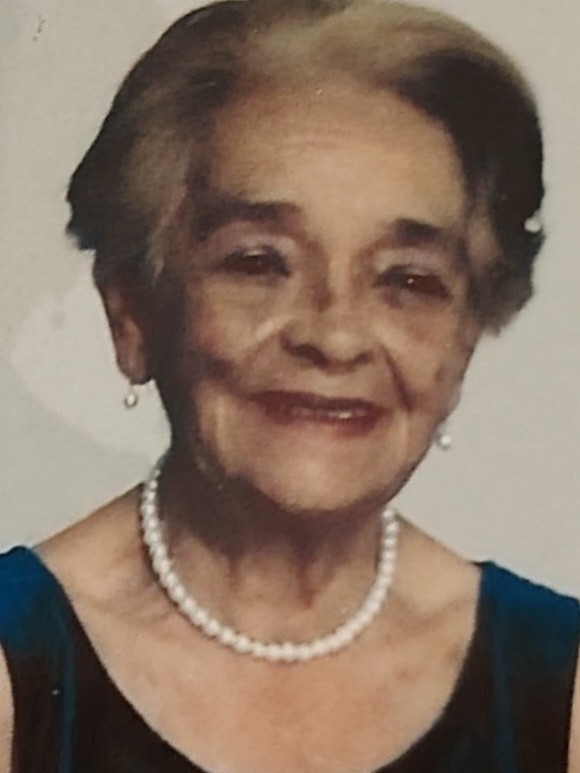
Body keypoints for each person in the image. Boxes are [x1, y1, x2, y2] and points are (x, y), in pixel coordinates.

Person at [0, 0, 578, 770]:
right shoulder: (16, 659)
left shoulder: (557, 679)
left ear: (465, 336)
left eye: (408, 279)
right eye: (259, 262)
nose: (334, 336)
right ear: (131, 310)